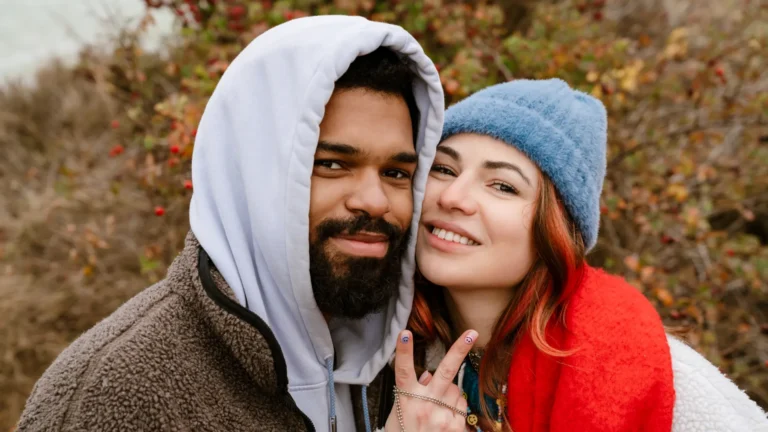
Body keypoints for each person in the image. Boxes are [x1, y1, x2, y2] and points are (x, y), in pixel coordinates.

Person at [17, 15, 452, 432]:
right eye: (332, 164)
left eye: (396, 172)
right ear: (253, 175)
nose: (375, 201)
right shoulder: (115, 392)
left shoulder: (413, 368)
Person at [394, 78, 768, 432]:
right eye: (444, 168)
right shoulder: (382, 343)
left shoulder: (648, 372)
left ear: (556, 227)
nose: (452, 197)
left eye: (503, 186)